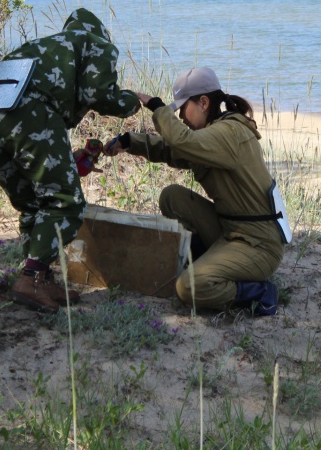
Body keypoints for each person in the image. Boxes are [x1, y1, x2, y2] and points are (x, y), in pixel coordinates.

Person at [0, 9, 140, 313]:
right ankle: (30, 279)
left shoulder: (46, 47)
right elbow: (100, 95)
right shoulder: (94, 42)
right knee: (65, 201)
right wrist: (135, 100)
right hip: (27, 108)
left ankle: (40, 279)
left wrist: (67, 161)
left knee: (33, 201)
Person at [106, 67, 285, 315]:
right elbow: (172, 150)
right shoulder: (213, 133)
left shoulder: (229, 133)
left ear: (203, 102)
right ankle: (208, 260)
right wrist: (128, 142)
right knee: (172, 197)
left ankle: (258, 292)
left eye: (182, 108)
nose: (180, 116)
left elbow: (182, 141)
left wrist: (157, 106)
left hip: (258, 245)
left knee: (189, 287)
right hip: (231, 230)